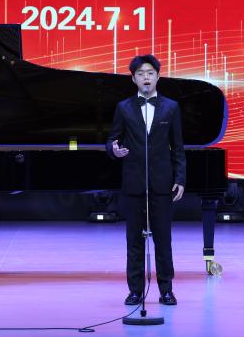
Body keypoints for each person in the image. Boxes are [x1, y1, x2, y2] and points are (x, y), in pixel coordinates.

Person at [106, 54, 185, 306]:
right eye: (140, 74)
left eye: (150, 73)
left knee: (163, 240)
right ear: (133, 79)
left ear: (158, 76)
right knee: (134, 240)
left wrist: (180, 178)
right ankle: (135, 291)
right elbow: (112, 140)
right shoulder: (124, 107)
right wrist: (114, 150)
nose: (146, 78)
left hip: (162, 183)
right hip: (134, 182)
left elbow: (178, 147)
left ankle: (166, 290)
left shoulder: (171, 107)